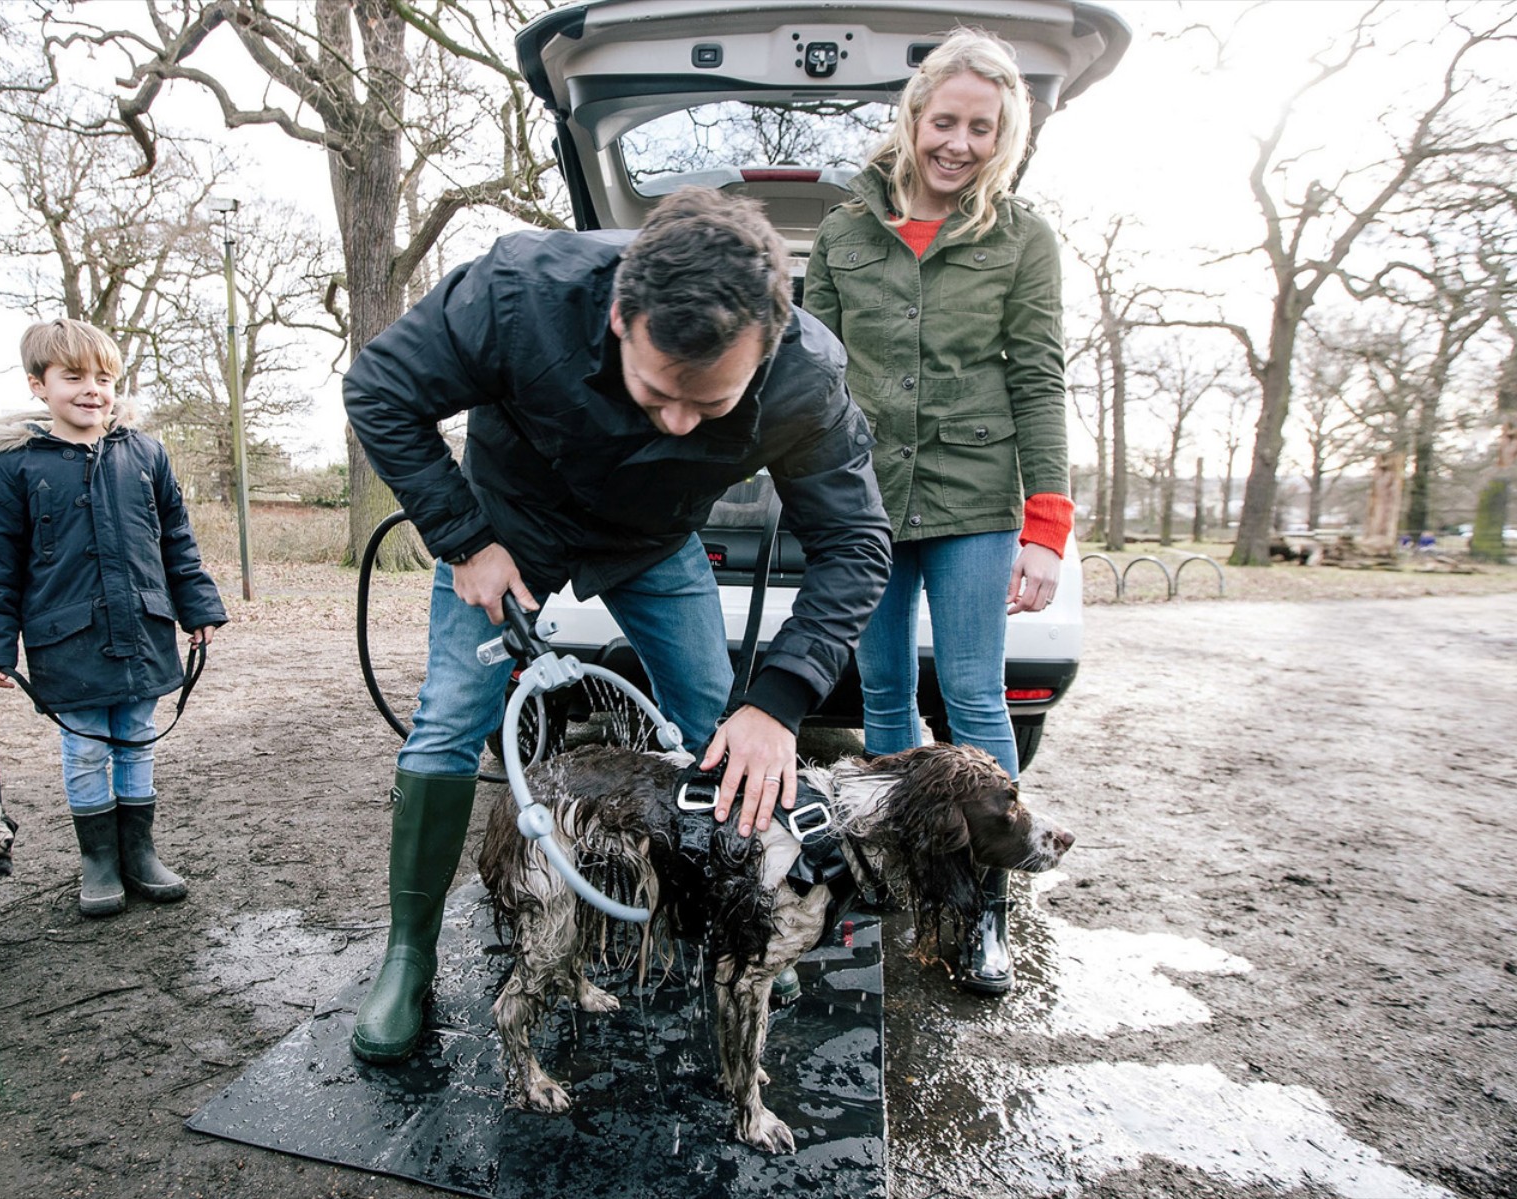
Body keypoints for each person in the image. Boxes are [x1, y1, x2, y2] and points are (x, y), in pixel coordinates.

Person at [342, 187, 893, 1063]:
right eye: (658, 390)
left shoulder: (805, 375)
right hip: (507, 522)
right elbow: (378, 390)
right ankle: (407, 953)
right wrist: (465, 539)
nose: (677, 419)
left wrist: (779, 702)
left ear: (766, 347)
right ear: (617, 314)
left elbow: (857, 542)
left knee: (717, 724)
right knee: (448, 721)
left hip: (654, 539)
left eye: (709, 406)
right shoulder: (518, 292)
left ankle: (735, 922)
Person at [803, 30, 1072, 997]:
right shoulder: (841, 234)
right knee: (881, 700)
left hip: (972, 498)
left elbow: (1039, 378)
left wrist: (1045, 530)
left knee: (972, 695)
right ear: (914, 117)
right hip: (865, 501)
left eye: (981, 128)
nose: (958, 143)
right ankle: (885, 879)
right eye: (944, 120)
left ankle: (984, 909)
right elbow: (809, 379)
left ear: (1004, 138)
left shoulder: (1022, 237)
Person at [0, 318, 227, 919]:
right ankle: (99, 861)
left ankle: (140, 854)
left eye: (104, 378)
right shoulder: (13, 467)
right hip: (68, 637)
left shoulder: (144, 453)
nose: (92, 389)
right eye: (74, 377)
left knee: (136, 741)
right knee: (85, 748)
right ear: (39, 385)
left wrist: (198, 605)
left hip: (142, 627)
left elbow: (177, 542)